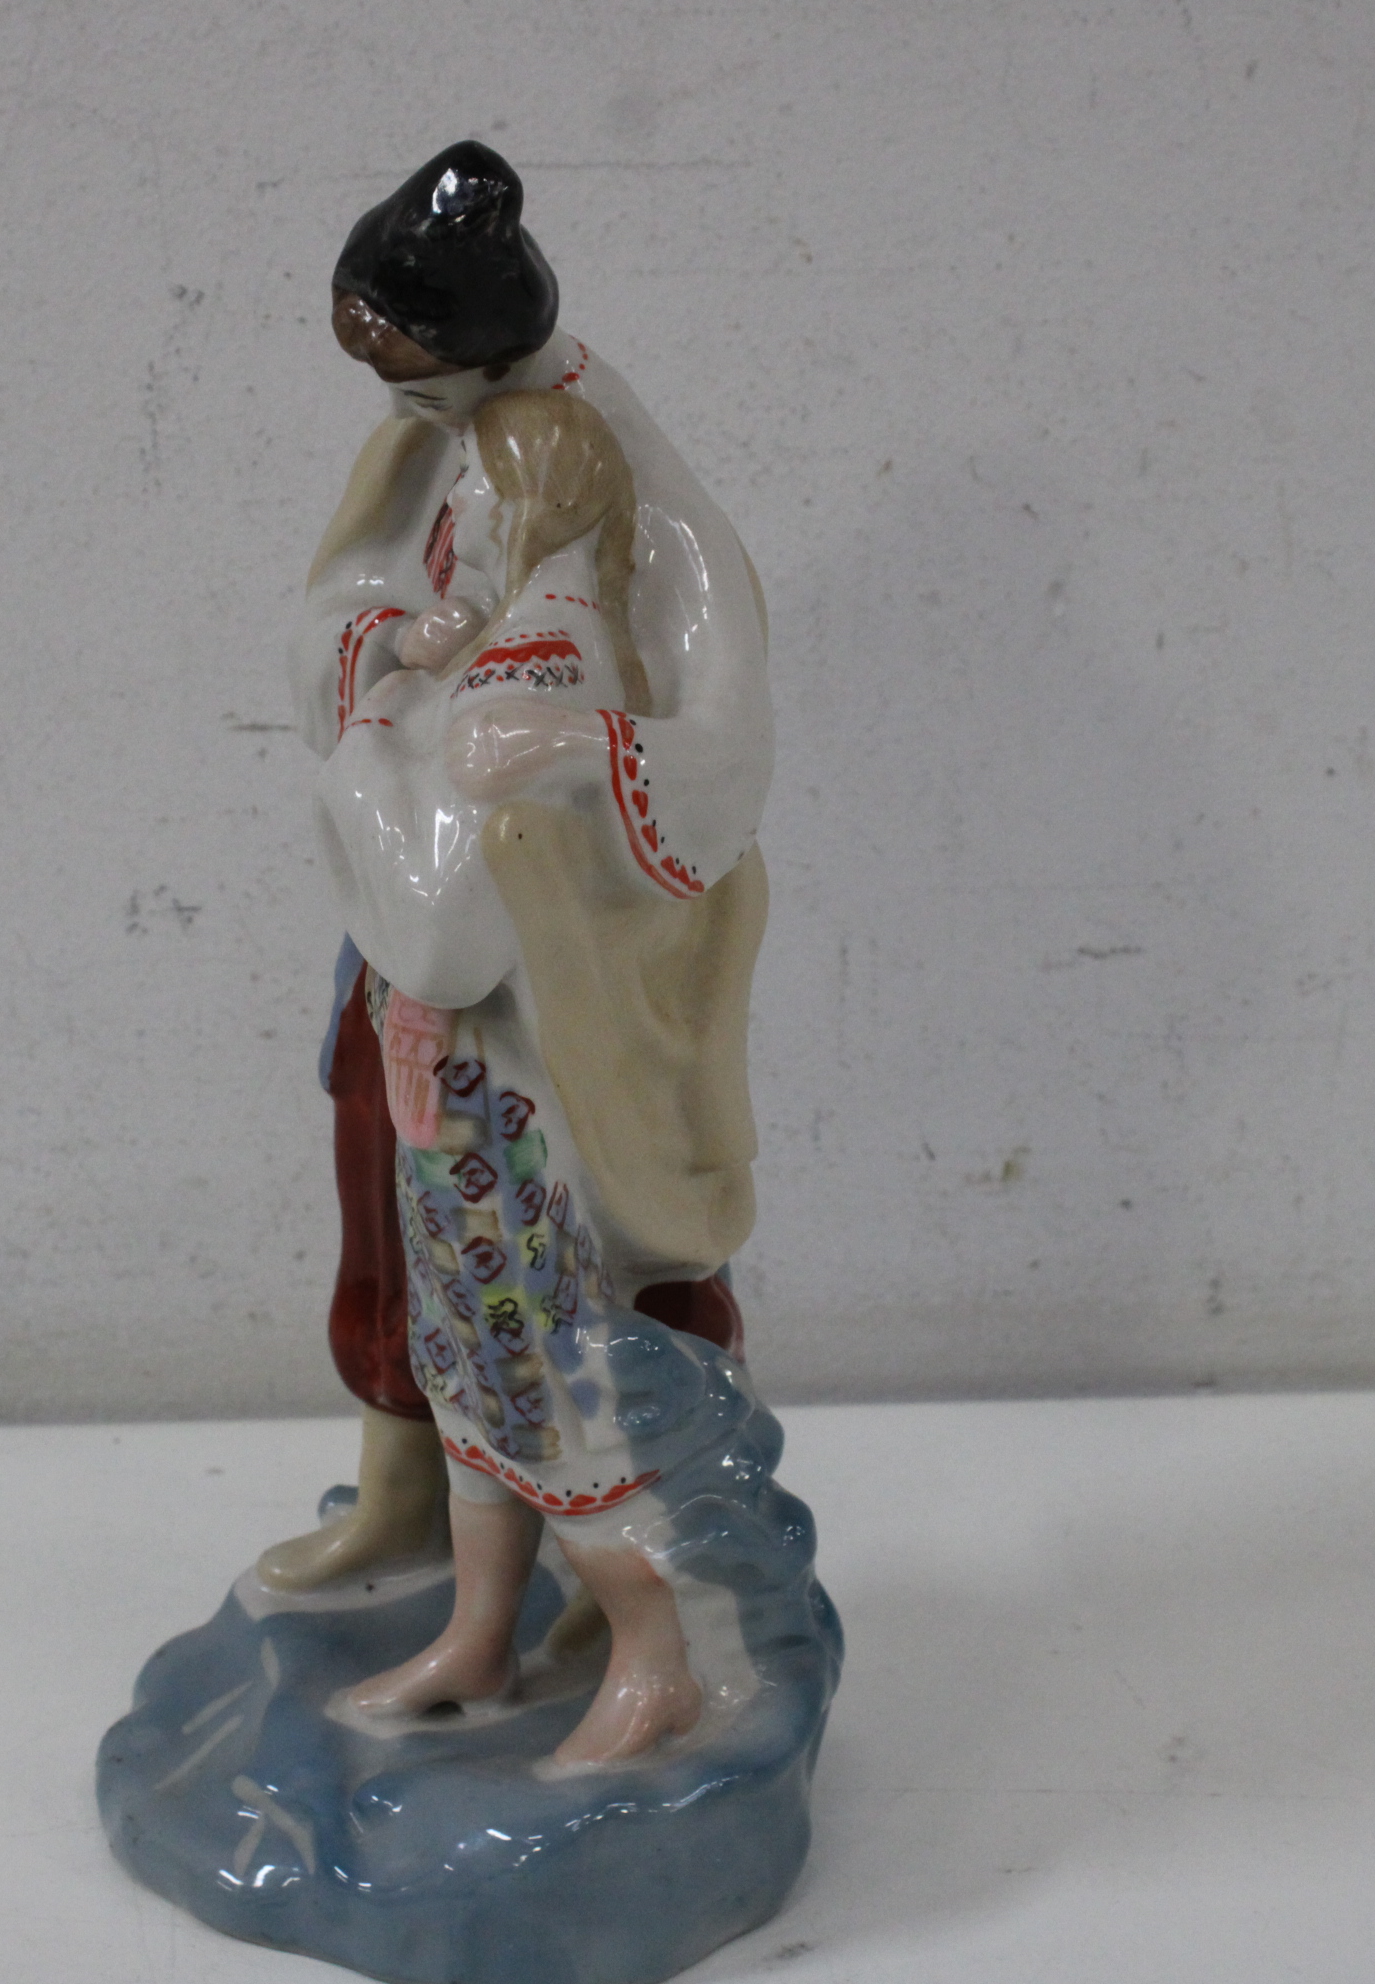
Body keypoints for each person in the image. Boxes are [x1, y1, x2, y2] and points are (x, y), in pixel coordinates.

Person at [270, 142, 788, 1769]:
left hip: (524, 1064)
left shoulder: (547, 638)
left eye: (472, 529)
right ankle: (476, 1630)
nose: (447, 535)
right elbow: (371, 615)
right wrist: (402, 660)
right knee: (469, 1362)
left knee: (544, 1380)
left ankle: (653, 1649)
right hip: (453, 1080)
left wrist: (382, 731)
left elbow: (450, 909)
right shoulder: (481, 545)